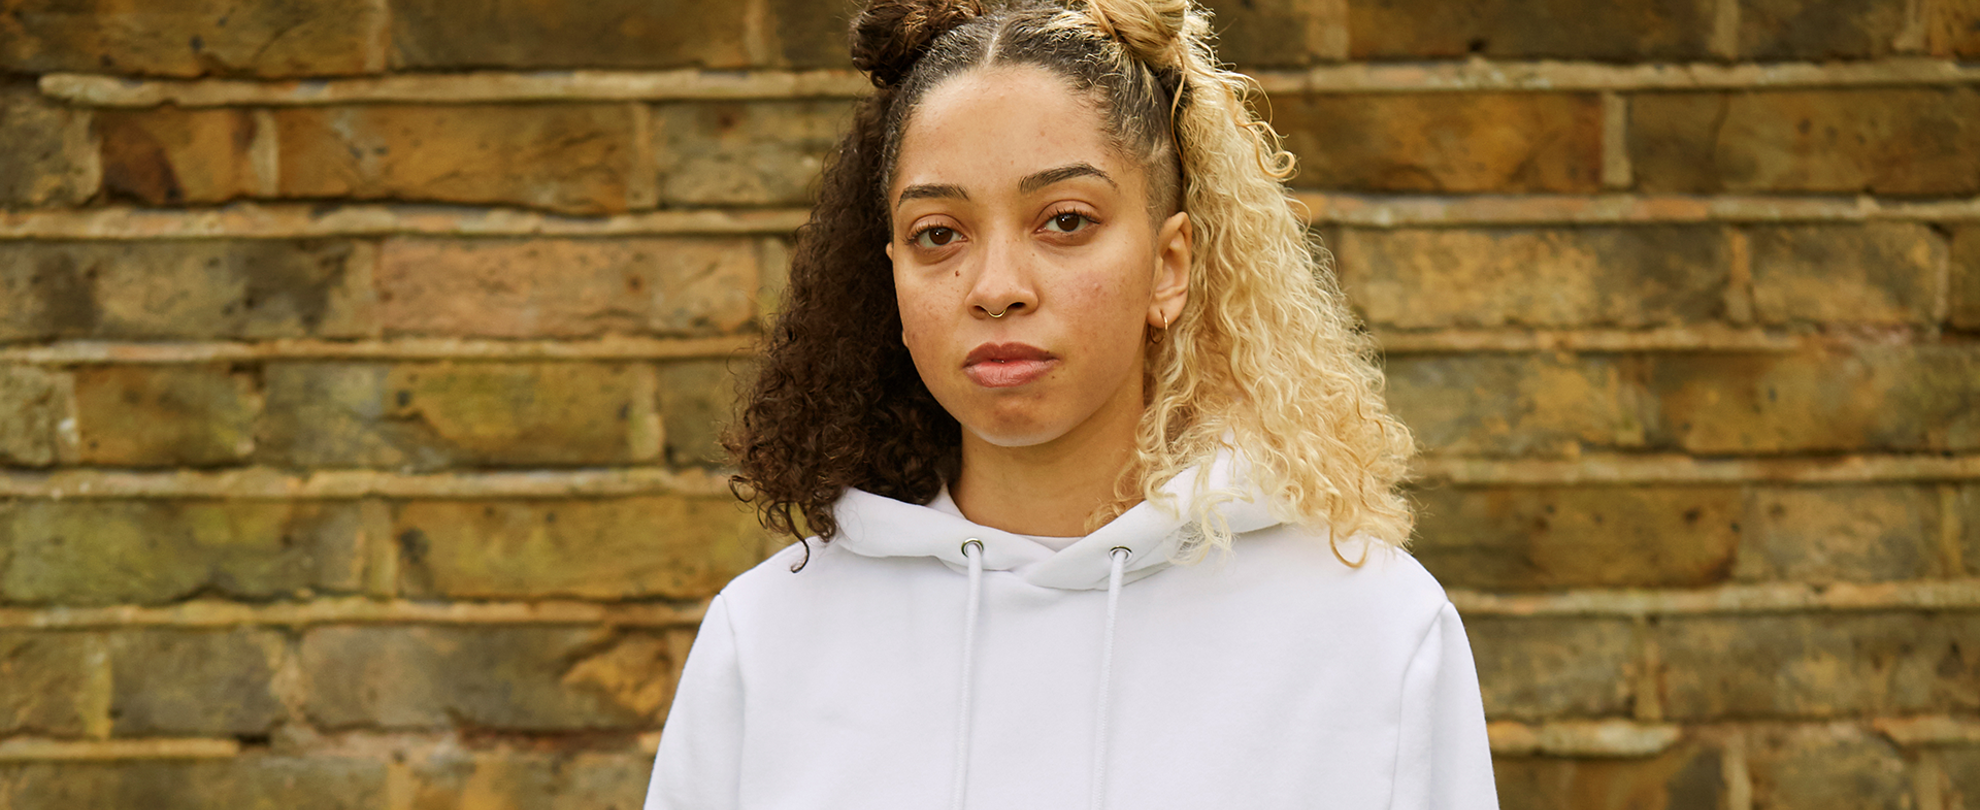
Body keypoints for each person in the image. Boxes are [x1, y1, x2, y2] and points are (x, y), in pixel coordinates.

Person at [642, 0, 1499, 807]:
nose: (997, 288)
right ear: (892, 277)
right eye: (938, 233)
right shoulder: (767, 640)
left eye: (1065, 221)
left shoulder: (1367, 629)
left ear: (1170, 266)